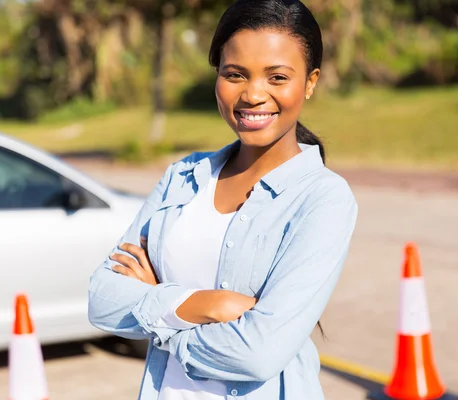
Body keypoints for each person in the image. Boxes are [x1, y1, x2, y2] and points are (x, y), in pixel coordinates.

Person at [88, 0, 359, 398]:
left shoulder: (324, 199)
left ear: (311, 81)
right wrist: (207, 304)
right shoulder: (182, 178)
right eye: (235, 74)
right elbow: (102, 300)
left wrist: (159, 319)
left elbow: (258, 354)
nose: (253, 94)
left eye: (277, 77)